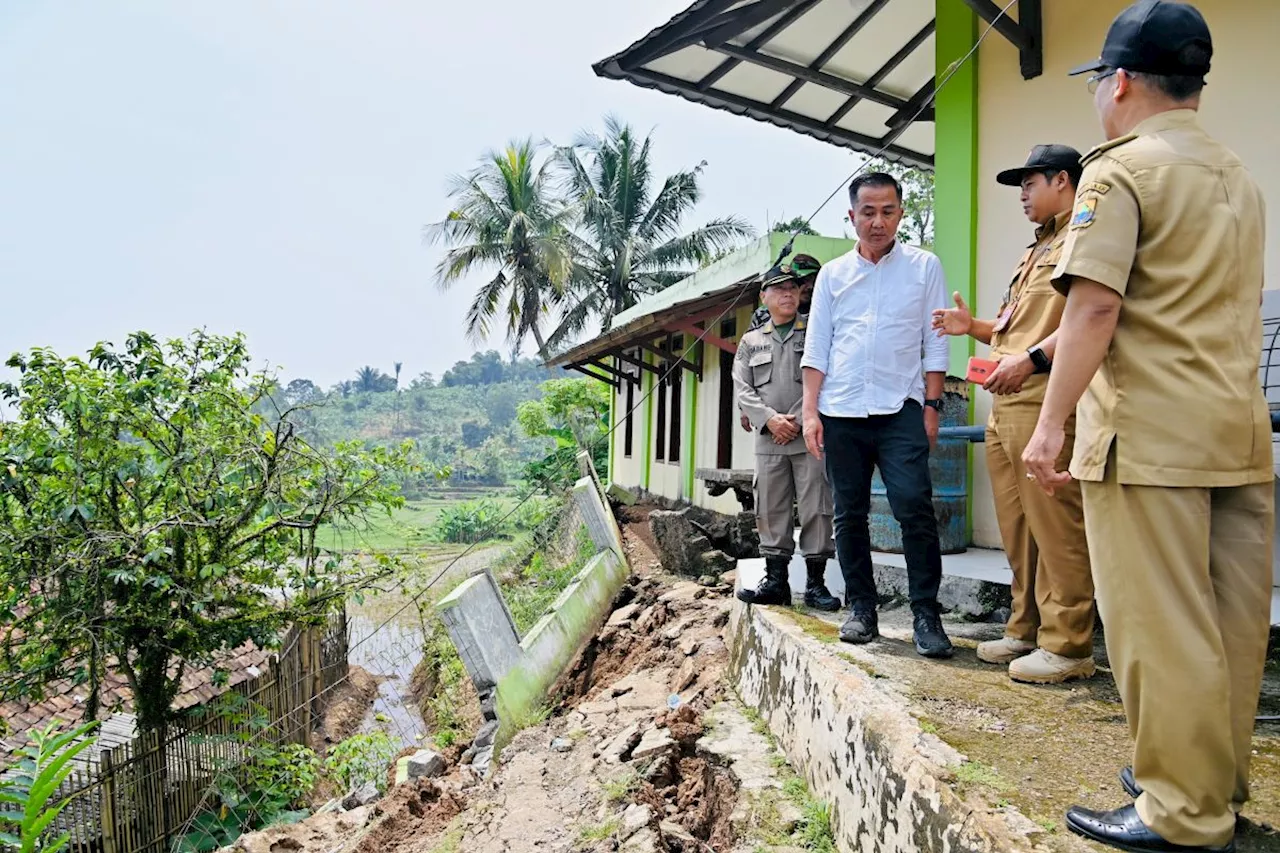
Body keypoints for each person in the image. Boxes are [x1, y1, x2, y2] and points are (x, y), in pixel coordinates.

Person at [1022, 2, 1272, 850]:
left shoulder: (1119, 171)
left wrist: (1050, 426)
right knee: (1231, 625)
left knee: (1162, 626)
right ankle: (1212, 783)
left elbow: (1094, 306)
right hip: (1237, 431)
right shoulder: (1237, 173)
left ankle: (1180, 810)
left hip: (1150, 435)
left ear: (1119, 81)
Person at [931, 145, 1097, 686]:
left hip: (1044, 392)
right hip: (1005, 396)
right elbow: (1014, 325)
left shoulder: (1083, 237)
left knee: (1056, 525)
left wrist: (1028, 362)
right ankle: (1025, 627)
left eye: (1030, 183)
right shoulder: (1041, 245)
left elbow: (1081, 320)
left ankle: (1069, 643)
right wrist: (971, 326)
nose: (1022, 195)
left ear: (1062, 181)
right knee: (1017, 527)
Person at [800, 172, 953, 659]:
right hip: (840, 409)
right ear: (852, 217)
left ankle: (926, 615)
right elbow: (817, 347)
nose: (878, 221)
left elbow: (936, 342)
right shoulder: (833, 275)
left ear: (901, 213)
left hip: (900, 409)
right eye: (868, 212)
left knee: (914, 507)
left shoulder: (924, 267)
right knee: (850, 514)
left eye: (888, 211)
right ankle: (862, 609)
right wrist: (810, 413)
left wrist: (932, 406)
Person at [733, 266, 840, 611]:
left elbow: (826, 376)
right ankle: (775, 582)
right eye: (778, 289)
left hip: (810, 434)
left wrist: (793, 420)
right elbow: (742, 387)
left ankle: (816, 585)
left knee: (817, 508)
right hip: (769, 440)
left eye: (793, 288)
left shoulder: (816, 333)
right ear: (764, 296)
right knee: (770, 508)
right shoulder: (751, 342)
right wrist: (770, 420)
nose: (787, 294)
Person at [742, 254, 823, 431]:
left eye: (813, 279)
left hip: (814, 415)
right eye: (802, 281)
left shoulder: (824, 314)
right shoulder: (763, 316)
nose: (808, 286)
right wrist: (747, 409)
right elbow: (748, 366)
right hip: (771, 418)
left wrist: (799, 419)